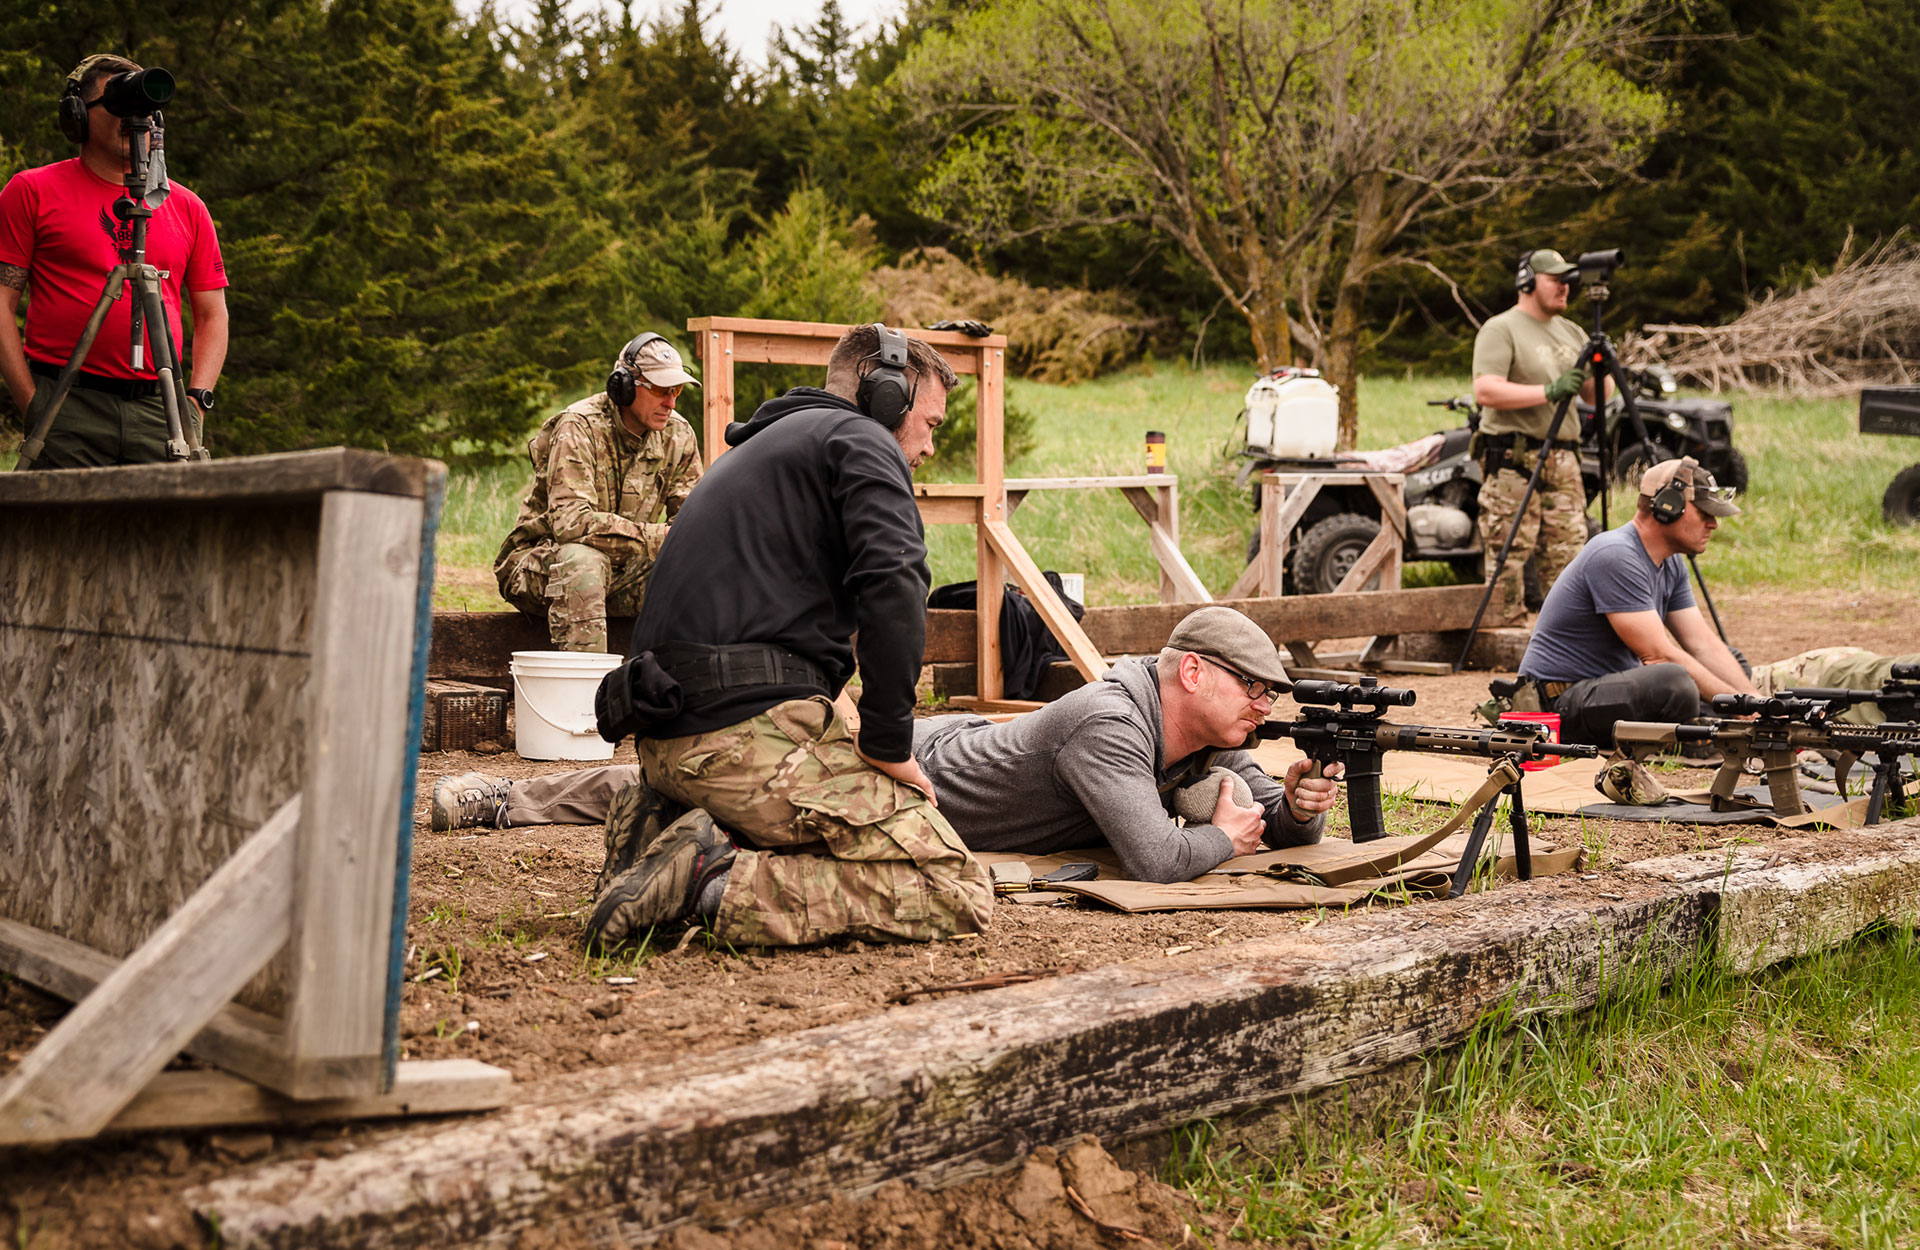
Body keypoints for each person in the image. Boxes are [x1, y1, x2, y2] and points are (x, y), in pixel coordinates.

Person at [582, 323, 990, 949]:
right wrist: (889, 742)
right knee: (956, 883)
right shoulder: (861, 439)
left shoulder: (769, 448)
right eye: (931, 424)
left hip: (663, 744)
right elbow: (896, 579)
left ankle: (657, 830)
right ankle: (709, 880)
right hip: (733, 742)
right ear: (885, 397)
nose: (930, 447)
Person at [434, 606, 1344, 886]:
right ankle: (504, 798)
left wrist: (1296, 811)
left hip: (952, 759)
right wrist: (1226, 839)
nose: (1265, 709)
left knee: (715, 803)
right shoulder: (1112, 720)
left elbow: (1267, 817)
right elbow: (1155, 858)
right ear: (1192, 674)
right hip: (908, 774)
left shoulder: (1199, 741)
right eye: (1253, 689)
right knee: (723, 798)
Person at [1, 54, 229, 468]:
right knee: (61, 532)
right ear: (78, 118)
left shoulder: (188, 207)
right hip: (67, 403)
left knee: (166, 531)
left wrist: (196, 401)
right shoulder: (31, 191)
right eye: (118, 104)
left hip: (162, 410)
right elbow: (0, 304)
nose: (134, 118)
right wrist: (30, 400)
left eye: (143, 108)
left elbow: (213, 314)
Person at [1515, 456, 1755, 762]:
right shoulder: (1615, 554)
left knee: (1731, 663)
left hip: (1610, 691)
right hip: (1558, 706)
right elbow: (1659, 655)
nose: (1714, 523)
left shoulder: (1671, 562)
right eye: (1705, 512)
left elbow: (1703, 644)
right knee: (1673, 681)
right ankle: (1690, 731)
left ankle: (1693, 728)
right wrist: (1739, 706)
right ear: (1668, 506)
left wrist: (1752, 703)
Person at [493, 333, 703, 653]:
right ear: (625, 387)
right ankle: (585, 696)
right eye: (661, 390)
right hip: (542, 564)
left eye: (677, 391)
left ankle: (687, 688)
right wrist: (661, 538)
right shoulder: (579, 426)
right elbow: (571, 524)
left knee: (703, 564)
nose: (671, 402)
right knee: (584, 561)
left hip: (622, 571)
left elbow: (692, 524)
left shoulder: (678, 434)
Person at [1470, 247, 1596, 617]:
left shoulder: (1572, 330)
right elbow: (1486, 390)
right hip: (1514, 458)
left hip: (1564, 460)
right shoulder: (1501, 327)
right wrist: (1549, 391)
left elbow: (1593, 396)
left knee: (1568, 554)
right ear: (1527, 281)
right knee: (1507, 551)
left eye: (1567, 281)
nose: (1564, 287)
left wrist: (1601, 369)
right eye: (1555, 279)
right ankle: (1502, 629)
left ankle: (1564, 634)